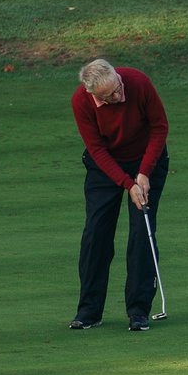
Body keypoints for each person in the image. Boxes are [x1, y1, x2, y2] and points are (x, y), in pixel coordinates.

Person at [69, 59, 169, 331]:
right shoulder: (81, 101)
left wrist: (144, 174)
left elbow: (160, 127)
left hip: (147, 160)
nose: (120, 95)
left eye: (118, 87)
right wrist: (127, 184)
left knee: (141, 232)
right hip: (105, 166)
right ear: (94, 95)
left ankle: (138, 311)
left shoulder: (137, 81)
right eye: (111, 95)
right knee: (96, 234)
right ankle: (89, 311)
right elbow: (97, 150)